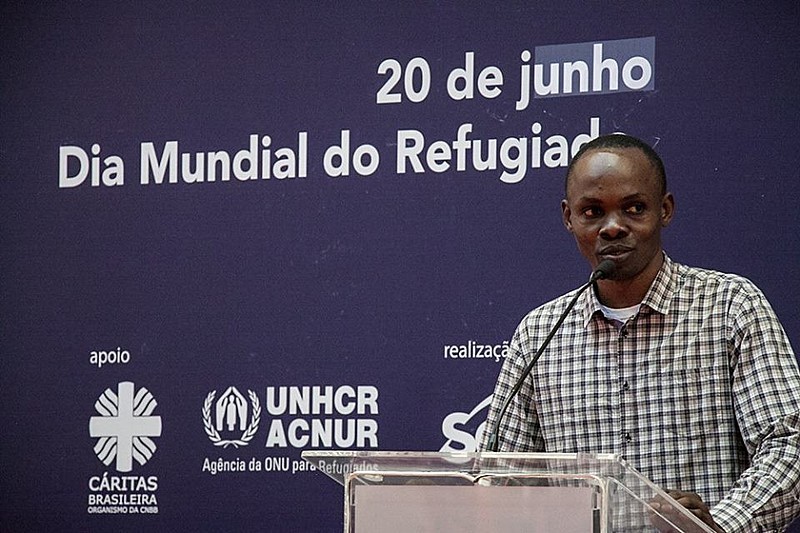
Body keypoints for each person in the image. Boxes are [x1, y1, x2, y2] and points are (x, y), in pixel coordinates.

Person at [480, 134, 800, 532]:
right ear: (569, 218)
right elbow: (503, 477)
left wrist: (719, 526)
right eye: (592, 211)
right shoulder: (538, 332)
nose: (613, 227)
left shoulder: (730, 305)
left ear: (664, 210)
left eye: (633, 208)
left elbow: (790, 444)